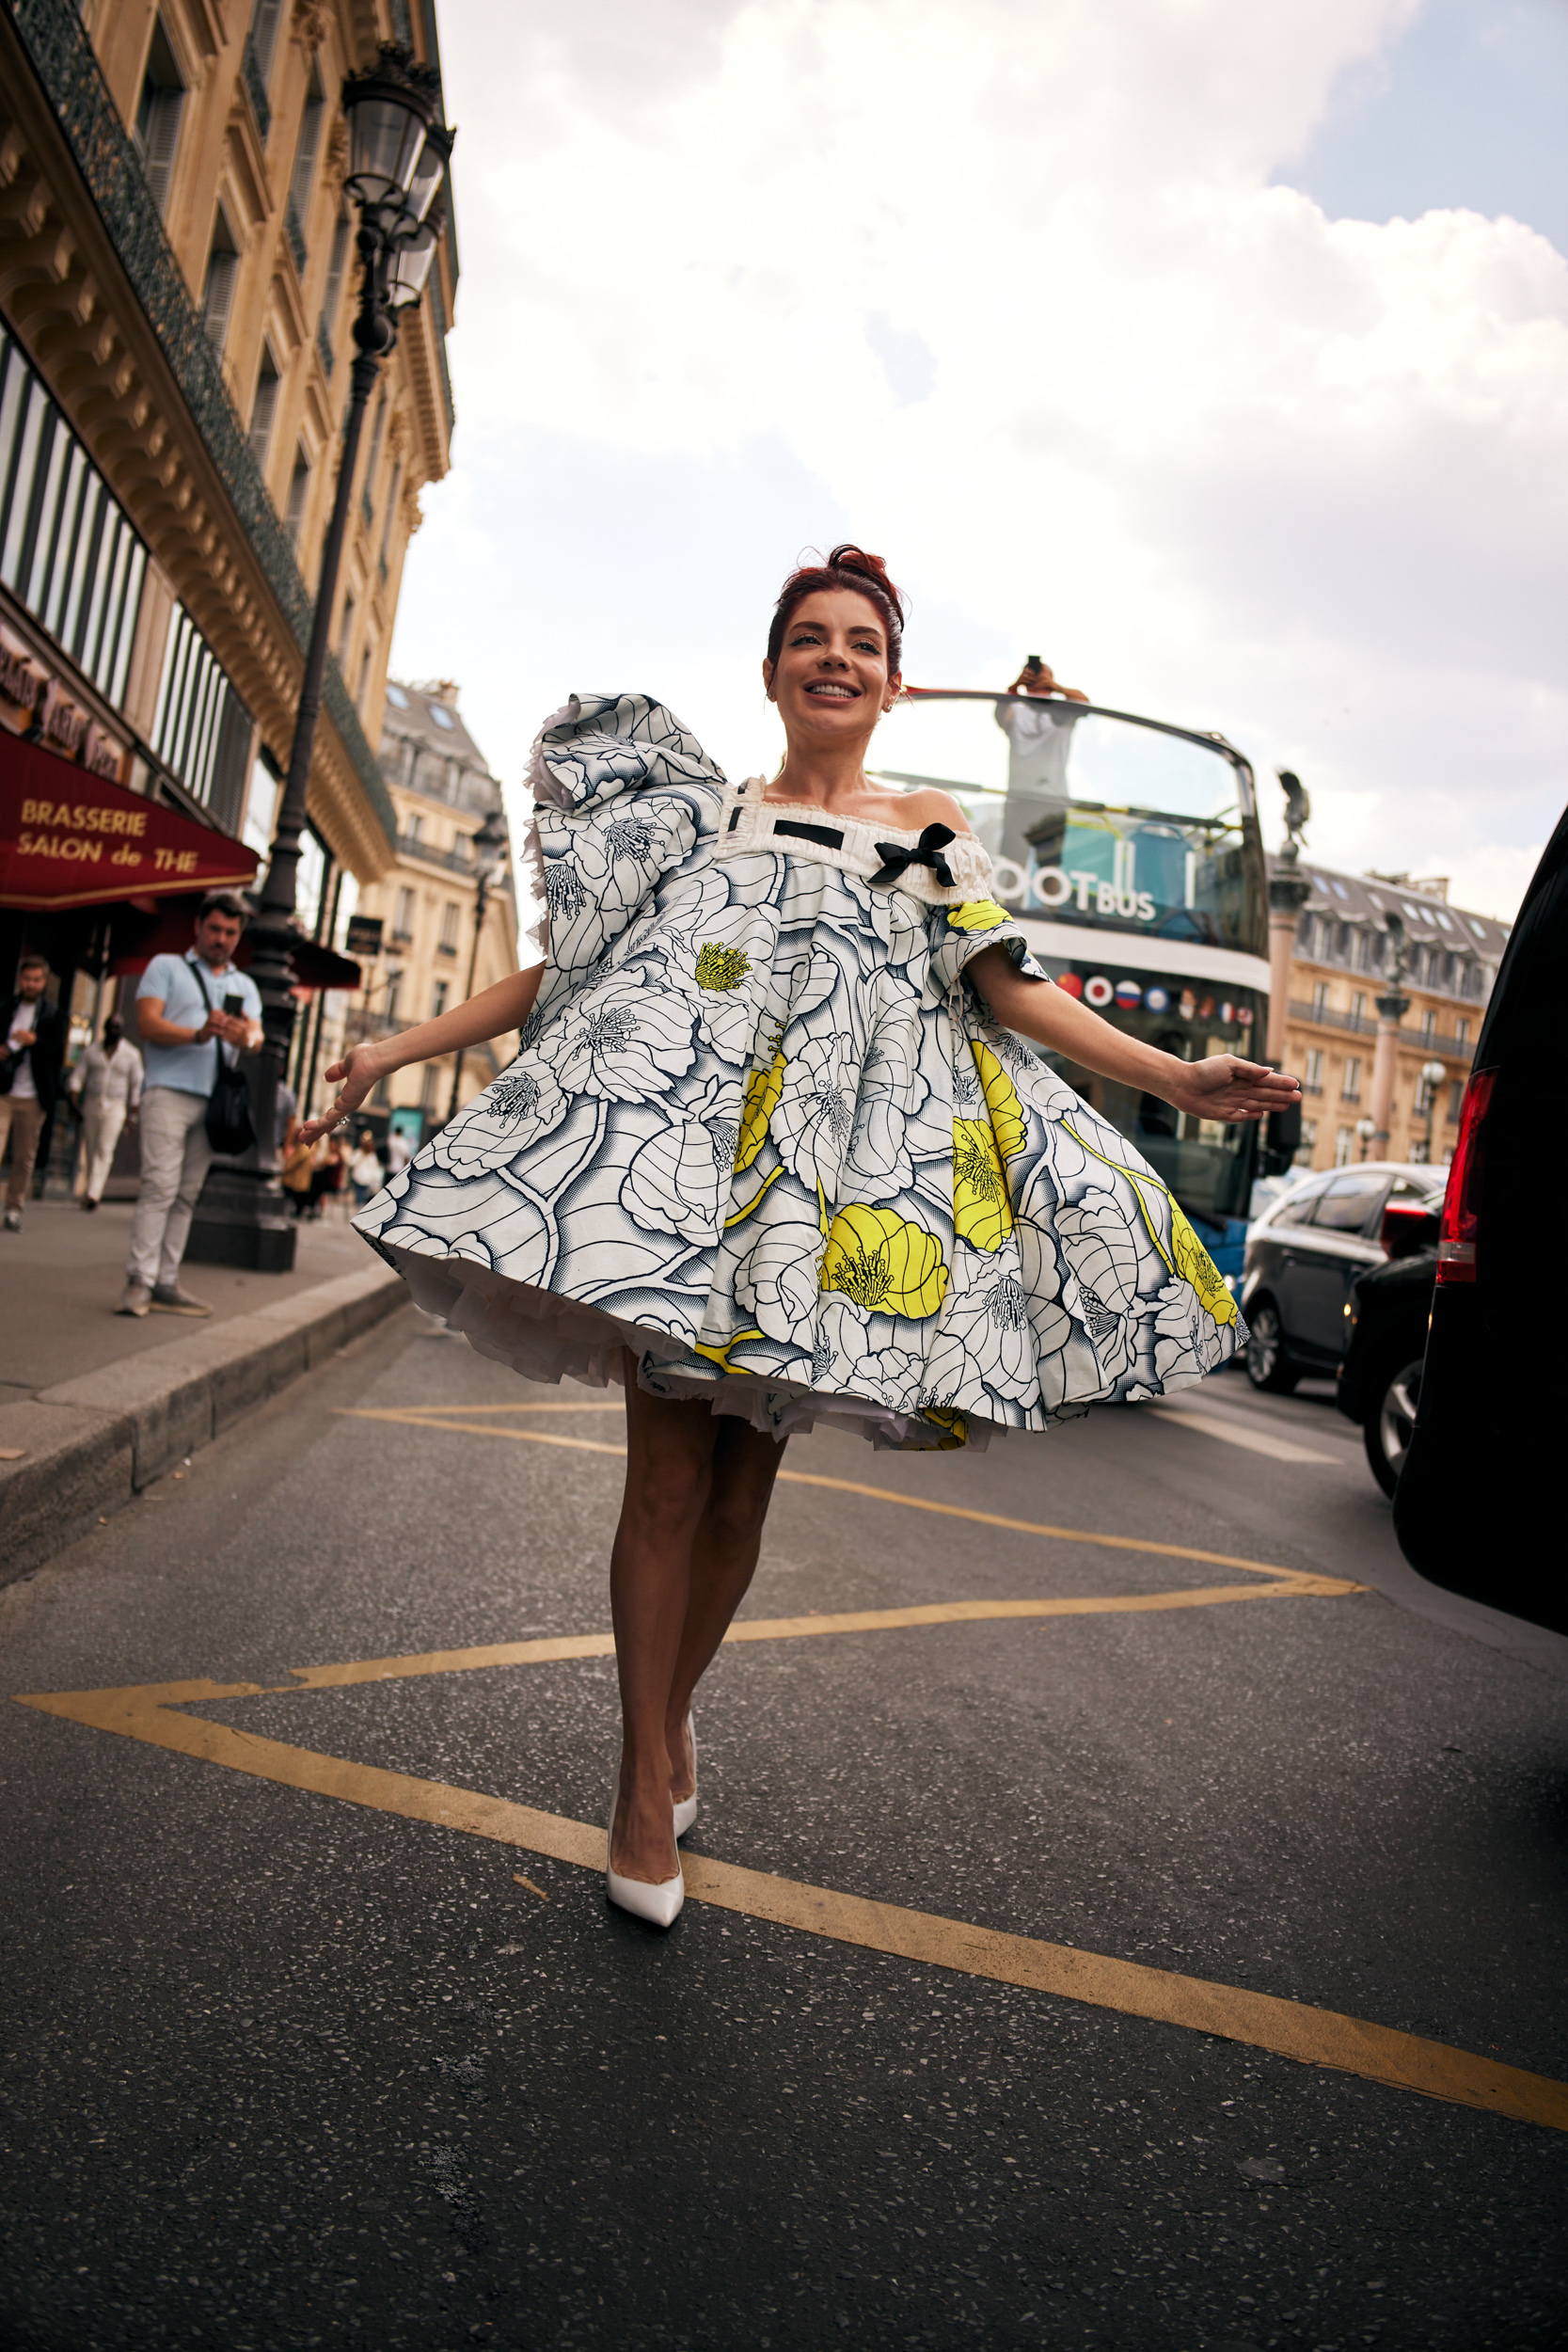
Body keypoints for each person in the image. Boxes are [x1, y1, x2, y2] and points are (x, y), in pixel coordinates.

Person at [300, 544, 1300, 1929]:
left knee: (735, 1496)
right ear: (772, 669)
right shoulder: (700, 819)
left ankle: (669, 1719)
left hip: (816, 1211)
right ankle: (643, 1780)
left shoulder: (928, 829)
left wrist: (1173, 1078)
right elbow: (566, 972)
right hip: (679, 1200)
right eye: (810, 638)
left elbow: (1008, 989)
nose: (835, 658)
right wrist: (392, 1049)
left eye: (862, 645)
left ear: (890, 685)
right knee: (660, 1485)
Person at [121, 892, 263, 1317]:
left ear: (239, 937)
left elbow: (256, 1038)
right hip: (166, 1090)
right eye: (215, 929)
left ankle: (165, 1281)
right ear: (198, 928)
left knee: (185, 1195)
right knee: (159, 1187)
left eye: (230, 933)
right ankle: (139, 1281)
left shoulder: (245, 985)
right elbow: (146, 1024)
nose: (221, 939)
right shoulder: (167, 966)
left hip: (214, 1101)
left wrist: (243, 1037)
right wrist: (198, 1034)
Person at [993, 657, 1091, 868]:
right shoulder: (1017, 711)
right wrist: (1015, 686)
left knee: (1050, 867)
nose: (1036, 680)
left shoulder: (1062, 713)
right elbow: (1000, 713)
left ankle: (1050, 904)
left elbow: (1085, 704)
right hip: (1018, 798)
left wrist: (1056, 688)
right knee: (1013, 865)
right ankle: (1009, 903)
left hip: (1052, 802)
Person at [1, 953, 67, 1231]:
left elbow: (57, 1055)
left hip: (34, 1096)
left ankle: (14, 1208)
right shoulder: (5, 1008)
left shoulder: (54, 1015)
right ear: (20, 979)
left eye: (36, 980)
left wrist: (35, 1041)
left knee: (24, 1156)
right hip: (4, 1090)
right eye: (27, 979)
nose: (31, 984)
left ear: (44, 982)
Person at [70, 1013, 144, 1210]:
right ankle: (89, 1189)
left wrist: (133, 1115)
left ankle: (94, 1194)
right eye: (111, 1027)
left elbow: (137, 1086)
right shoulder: (91, 1051)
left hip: (116, 1106)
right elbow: (78, 1076)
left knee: (105, 1149)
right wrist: (73, 1098)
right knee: (92, 1147)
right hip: (92, 1103)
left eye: (118, 1027)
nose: (114, 1031)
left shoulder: (131, 1054)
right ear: (104, 1029)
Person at [349, 1128, 384, 1210]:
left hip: (367, 1179)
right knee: (359, 1196)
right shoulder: (359, 1152)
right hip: (358, 1177)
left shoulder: (372, 1155)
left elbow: (374, 1167)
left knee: (363, 1197)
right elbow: (351, 1162)